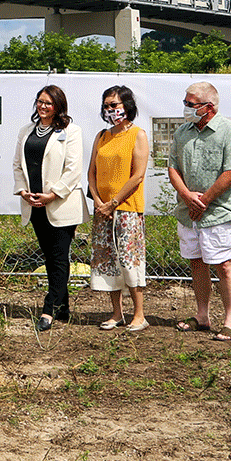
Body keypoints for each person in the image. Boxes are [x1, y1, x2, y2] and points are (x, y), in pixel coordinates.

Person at [169, 82, 231, 342]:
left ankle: (230, 322)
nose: (185, 107)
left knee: (224, 266)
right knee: (197, 262)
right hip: (188, 212)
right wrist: (186, 196)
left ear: (208, 107)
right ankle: (202, 316)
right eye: (185, 101)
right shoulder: (182, 132)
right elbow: (173, 168)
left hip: (219, 212)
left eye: (190, 104)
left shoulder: (230, 132)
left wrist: (203, 201)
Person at [12, 85, 86, 331]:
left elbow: (73, 170)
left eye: (48, 103)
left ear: (58, 106)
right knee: (51, 257)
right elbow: (17, 165)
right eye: (40, 102)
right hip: (34, 205)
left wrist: (52, 195)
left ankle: (49, 310)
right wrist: (24, 192)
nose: (43, 106)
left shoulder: (71, 132)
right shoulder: (26, 131)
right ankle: (63, 308)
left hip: (60, 205)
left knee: (58, 258)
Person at [87, 85, 149, 332]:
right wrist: (99, 201)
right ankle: (116, 313)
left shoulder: (138, 135)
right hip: (102, 210)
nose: (110, 110)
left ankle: (139, 315)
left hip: (128, 210)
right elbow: (91, 172)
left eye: (115, 105)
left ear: (127, 106)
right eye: (107, 105)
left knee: (129, 260)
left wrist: (114, 202)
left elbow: (138, 176)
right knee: (109, 261)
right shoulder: (102, 136)